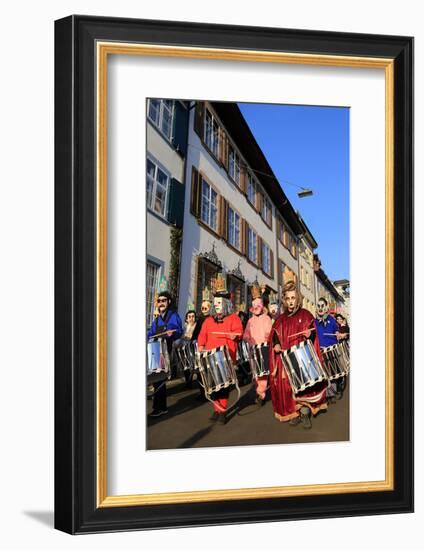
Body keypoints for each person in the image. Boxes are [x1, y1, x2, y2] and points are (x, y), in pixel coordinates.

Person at [268, 280, 327, 428]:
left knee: (305, 387)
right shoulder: (280, 320)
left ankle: (305, 413)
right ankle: (294, 412)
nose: (290, 301)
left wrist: (310, 334)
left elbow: (314, 334)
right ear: (284, 300)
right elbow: (274, 335)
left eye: (293, 298)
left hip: (303, 358)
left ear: (298, 298)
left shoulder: (306, 315)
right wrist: (275, 344)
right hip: (286, 359)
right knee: (288, 387)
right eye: (287, 298)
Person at [197, 273, 243, 424]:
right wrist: (201, 346)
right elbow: (202, 335)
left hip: (226, 356)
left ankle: (222, 411)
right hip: (210, 357)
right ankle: (217, 408)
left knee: (223, 386)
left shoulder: (233, 318)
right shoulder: (209, 320)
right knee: (214, 385)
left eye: (219, 302)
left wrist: (234, 336)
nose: (216, 305)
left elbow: (239, 332)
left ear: (225, 302)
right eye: (214, 302)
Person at [147, 289, 183, 417]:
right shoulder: (156, 320)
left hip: (165, 349)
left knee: (160, 379)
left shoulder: (173, 315)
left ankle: (160, 408)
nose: (161, 303)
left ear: (168, 302)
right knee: (156, 379)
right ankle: (159, 407)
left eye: (163, 301)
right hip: (155, 350)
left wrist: (171, 332)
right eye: (159, 301)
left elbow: (178, 330)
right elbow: (150, 333)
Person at [243, 285, 272, 406]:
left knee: (263, 373)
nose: (256, 307)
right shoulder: (250, 321)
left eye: (258, 305)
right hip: (253, 350)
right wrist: (246, 338)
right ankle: (259, 390)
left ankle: (261, 394)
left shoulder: (266, 318)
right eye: (254, 305)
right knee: (256, 372)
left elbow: (270, 332)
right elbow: (246, 334)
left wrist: (267, 337)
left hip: (263, 348)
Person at [315, 298, 342, 402]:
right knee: (323, 374)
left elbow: (336, 330)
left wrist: (337, 333)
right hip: (320, 350)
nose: (320, 308)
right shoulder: (314, 321)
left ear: (326, 308)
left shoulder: (332, 320)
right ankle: (323, 394)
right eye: (318, 306)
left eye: (322, 306)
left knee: (331, 372)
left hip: (331, 349)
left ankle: (331, 394)